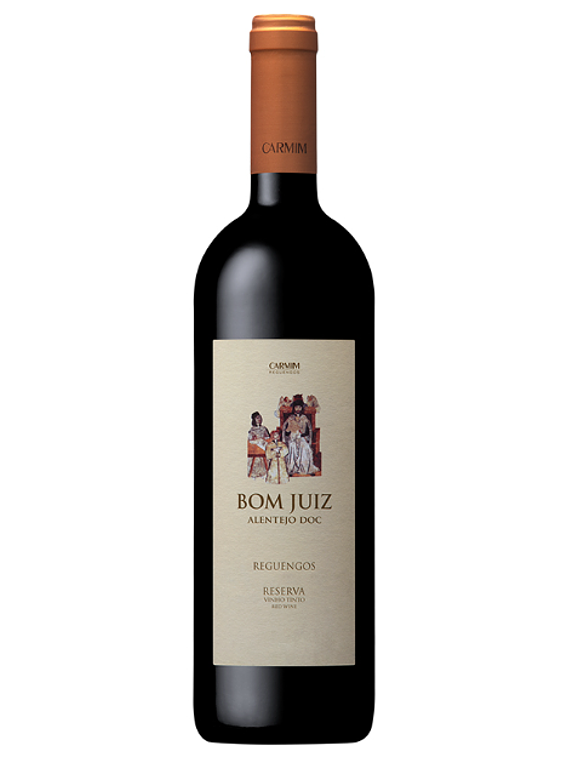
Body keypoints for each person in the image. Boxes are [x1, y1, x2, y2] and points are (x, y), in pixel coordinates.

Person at [283, 395, 316, 475]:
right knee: (292, 446)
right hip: (292, 438)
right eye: (296, 407)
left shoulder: (304, 418)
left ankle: (305, 469)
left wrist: (305, 437)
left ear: (302, 408)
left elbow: (309, 430)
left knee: (304, 446)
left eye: (299, 407)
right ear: (294, 408)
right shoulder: (290, 418)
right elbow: (285, 429)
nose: (298, 409)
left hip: (302, 437)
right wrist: (288, 434)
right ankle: (291, 468)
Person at [247, 412, 270, 479]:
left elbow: (267, 437)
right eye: (257, 418)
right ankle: (254, 474)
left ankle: (263, 474)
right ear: (254, 419)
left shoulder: (264, 428)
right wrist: (254, 438)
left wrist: (263, 438)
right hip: (255, 446)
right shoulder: (252, 429)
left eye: (260, 417)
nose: (259, 419)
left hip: (262, 444)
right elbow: (250, 439)